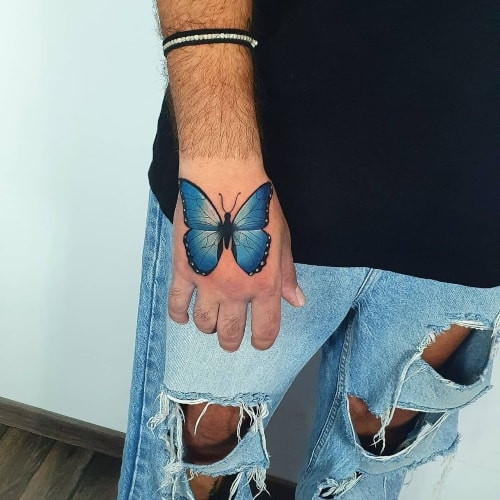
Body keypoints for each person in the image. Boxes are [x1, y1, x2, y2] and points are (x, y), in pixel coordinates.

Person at [118, 0, 500, 498]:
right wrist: (218, 163)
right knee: (199, 454)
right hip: (257, 183)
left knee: (372, 460)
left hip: (472, 201)